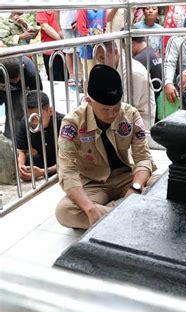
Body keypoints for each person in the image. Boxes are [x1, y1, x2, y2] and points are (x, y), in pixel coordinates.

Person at [56, 64, 156, 229]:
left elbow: (143, 158)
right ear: (89, 101)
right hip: (93, 183)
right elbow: (67, 172)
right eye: (105, 110)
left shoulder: (130, 114)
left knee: (165, 185)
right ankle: (129, 212)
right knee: (65, 211)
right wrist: (89, 208)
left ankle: (112, 216)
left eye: (116, 109)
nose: (112, 114)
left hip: (126, 178)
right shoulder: (72, 123)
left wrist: (136, 187)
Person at [95, 40, 155, 129]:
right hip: (121, 121)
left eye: (103, 58)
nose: (100, 64)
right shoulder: (113, 68)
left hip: (139, 127)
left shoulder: (133, 73)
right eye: (98, 60)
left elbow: (124, 109)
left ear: (115, 52)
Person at [16, 90, 64, 181]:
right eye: (30, 117)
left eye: (38, 117)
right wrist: (21, 167)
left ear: (50, 111)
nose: (34, 123)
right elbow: (21, 150)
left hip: (63, 162)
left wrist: (42, 172)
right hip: (43, 160)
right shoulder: (26, 122)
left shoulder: (64, 123)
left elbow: (72, 161)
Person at [0, 57, 42, 139]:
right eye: (13, 80)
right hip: (2, 85)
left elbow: (38, 94)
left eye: (17, 78)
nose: (16, 81)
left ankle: (16, 139)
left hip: (18, 89)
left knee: (16, 111)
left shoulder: (31, 73)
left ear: (22, 67)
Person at [76, 9, 107, 78]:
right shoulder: (83, 8)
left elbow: (104, 25)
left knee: (101, 75)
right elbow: (81, 28)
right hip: (87, 50)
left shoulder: (103, 8)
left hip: (100, 49)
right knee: (89, 76)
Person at [36, 10, 65, 81]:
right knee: (55, 79)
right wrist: (60, 38)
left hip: (65, 48)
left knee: (66, 76)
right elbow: (44, 26)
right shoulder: (42, 7)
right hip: (51, 50)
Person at [131, 36, 163, 102]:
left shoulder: (139, 60)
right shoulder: (152, 51)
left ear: (131, 43)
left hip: (151, 99)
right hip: (158, 96)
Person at [60, 10, 82, 86]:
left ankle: (82, 75)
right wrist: (59, 29)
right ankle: (72, 76)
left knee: (80, 50)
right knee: (68, 51)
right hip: (66, 24)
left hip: (80, 22)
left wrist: (79, 21)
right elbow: (56, 11)